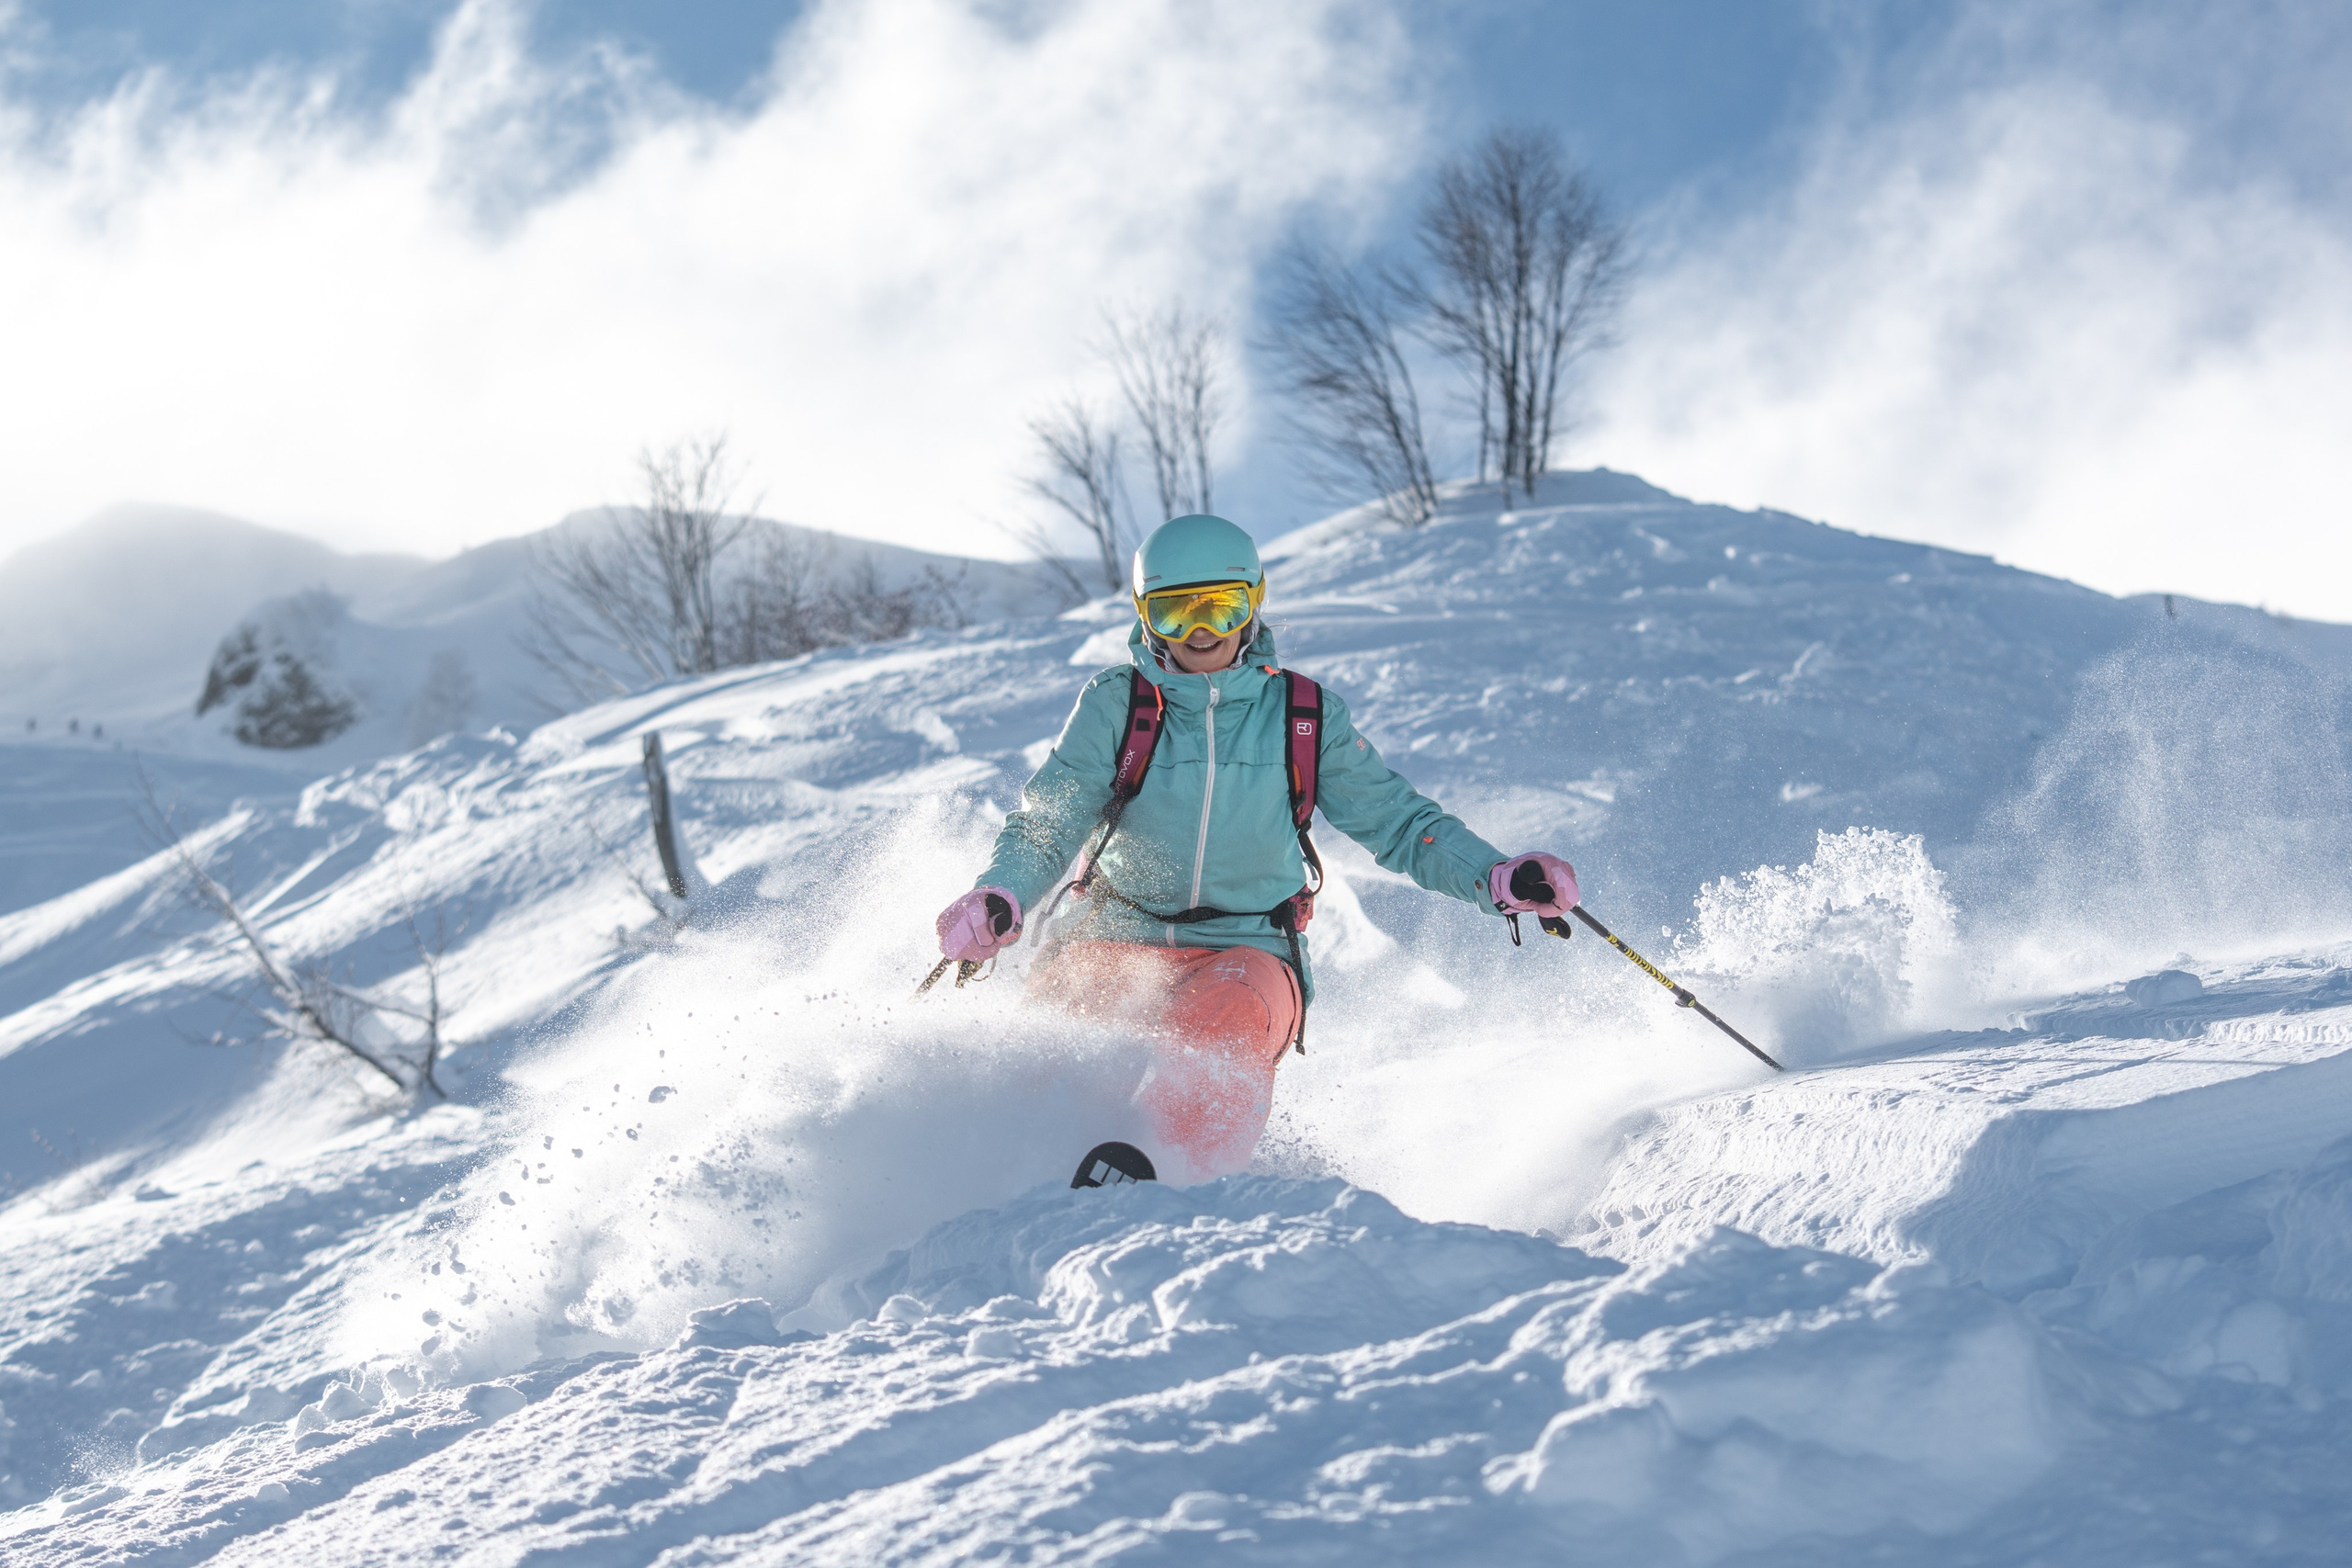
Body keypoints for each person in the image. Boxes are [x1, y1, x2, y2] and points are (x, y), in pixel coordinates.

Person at [934, 513, 1580, 1179]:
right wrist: (1001, 891)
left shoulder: (1301, 715)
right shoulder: (1116, 706)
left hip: (1248, 951)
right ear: (1144, 614)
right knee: (1064, 1018)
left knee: (1225, 1017)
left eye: (1222, 606)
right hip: (1113, 934)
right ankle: (1015, 1171)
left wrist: (1495, 875)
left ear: (1254, 601)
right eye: (1176, 611)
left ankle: (1170, 1174)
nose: (1202, 631)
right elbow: (1050, 820)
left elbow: (1396, 820)